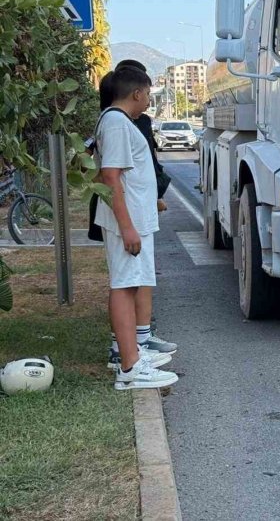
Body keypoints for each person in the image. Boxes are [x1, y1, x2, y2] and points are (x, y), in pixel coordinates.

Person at [95, 65, 178, 390]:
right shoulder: (117, 124)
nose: (148, 101)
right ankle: (129, 368)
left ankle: (134, 355)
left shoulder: (117, 122)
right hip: (127, 223)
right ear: (137, 93)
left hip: (134, 221)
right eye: (148, 94)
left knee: (129, 286)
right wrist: (127, 228)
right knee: (124, 286)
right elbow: (111, 178)